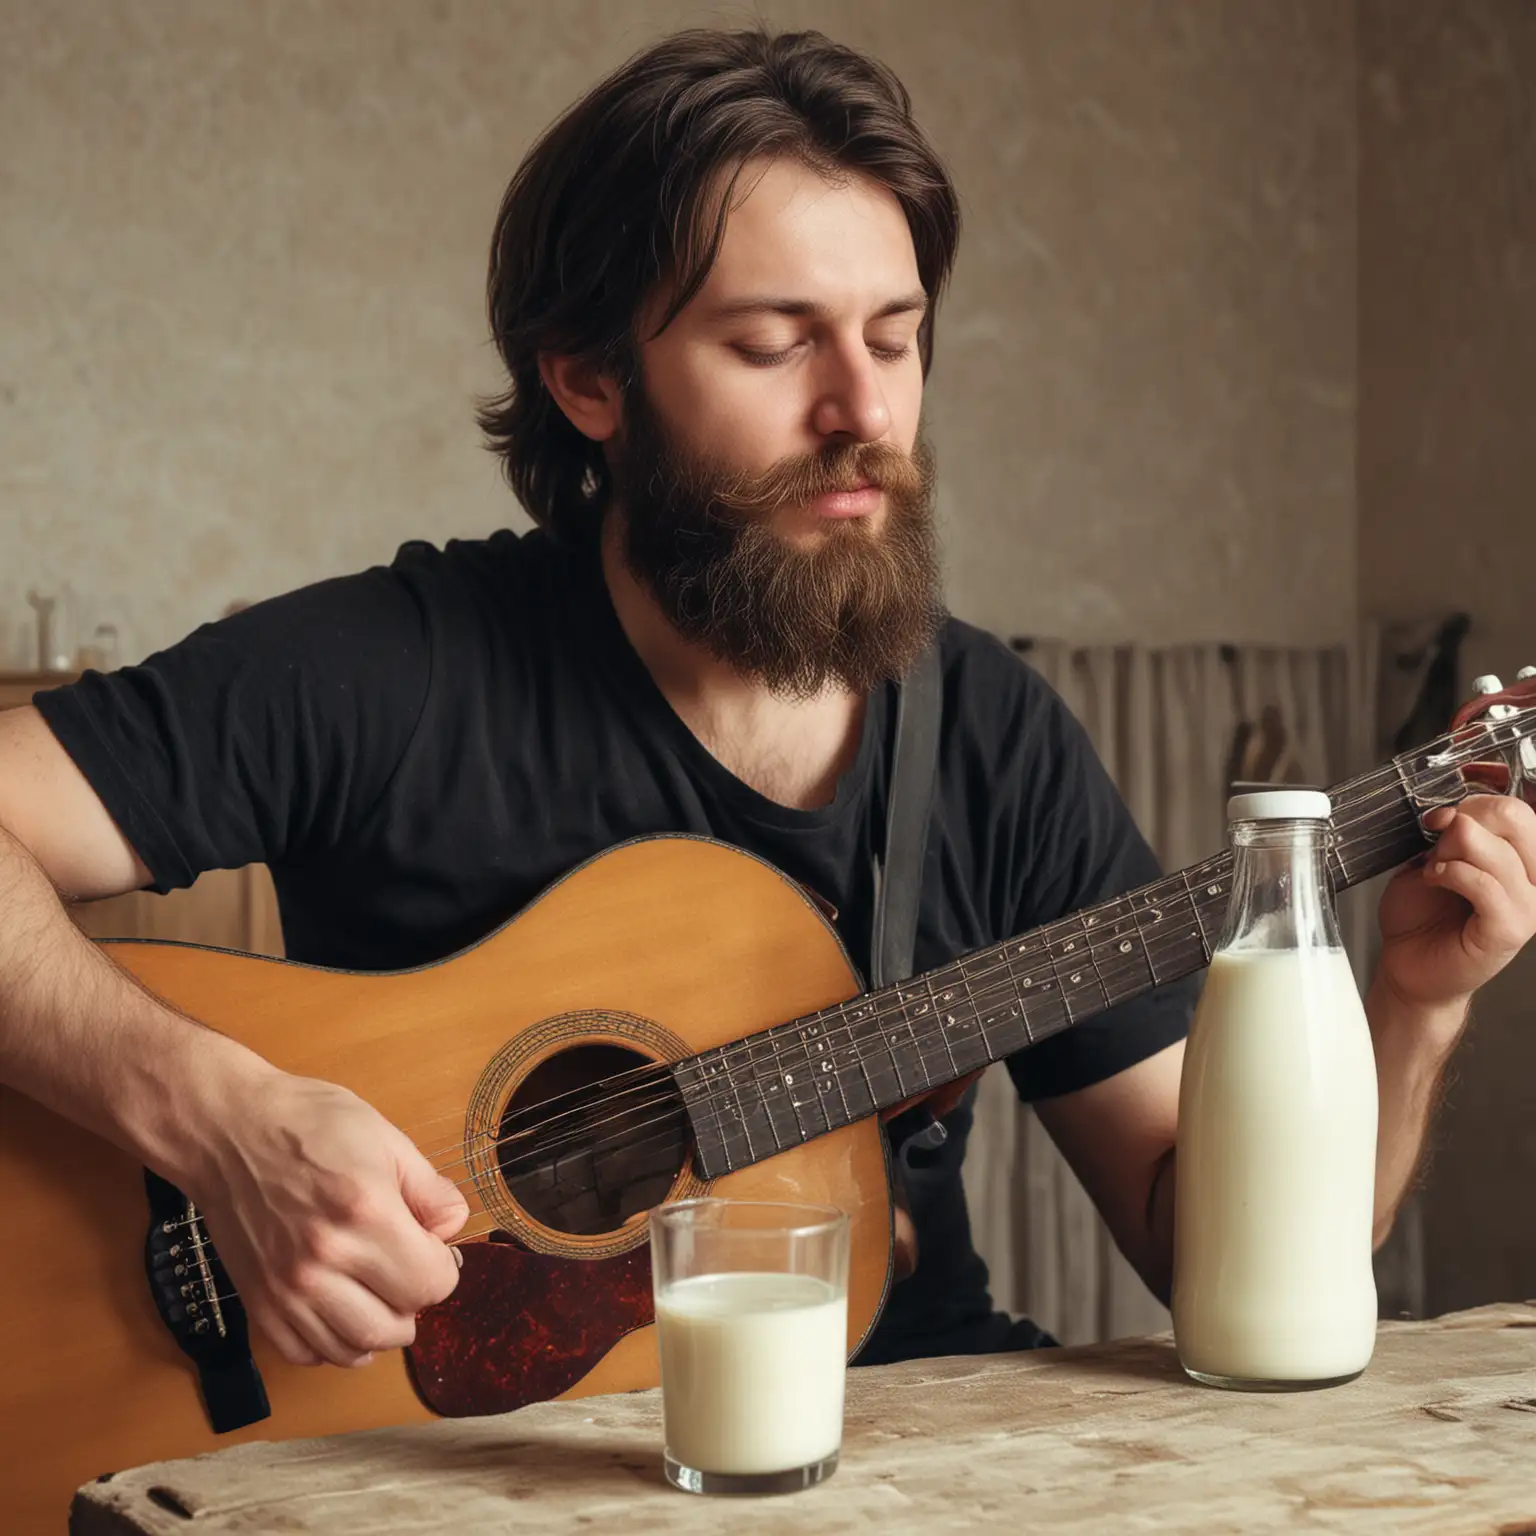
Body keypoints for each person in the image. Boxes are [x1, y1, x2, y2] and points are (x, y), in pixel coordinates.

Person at [2, 26, 1533, 1374]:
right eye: (772, 341)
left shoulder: (988, 736)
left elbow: (1225, 1262)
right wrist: (216, 1121)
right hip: (443, 1464)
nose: (862, 413)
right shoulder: (394, 669)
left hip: (899, 1431)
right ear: (590, 383)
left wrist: (1411, 1003)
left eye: (894, 336)